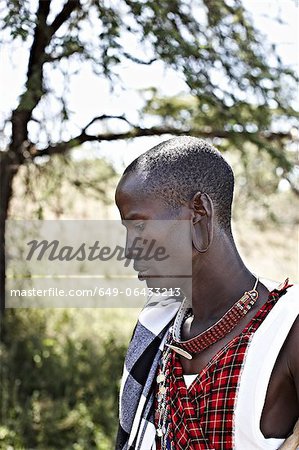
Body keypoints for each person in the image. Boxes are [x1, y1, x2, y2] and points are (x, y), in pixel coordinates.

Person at [114, 136, 299, 450]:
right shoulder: (159, 324)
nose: (129, 249)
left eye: (140, 227)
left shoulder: (286, 328)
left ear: (198, 212)